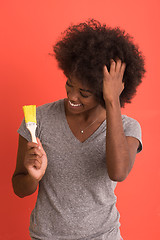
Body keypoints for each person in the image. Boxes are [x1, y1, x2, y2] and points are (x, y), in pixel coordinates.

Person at [12, 19, 145, 240]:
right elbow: (19, 187)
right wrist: (34, 177)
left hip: (104, 236)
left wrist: (113, 101)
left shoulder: (128, 127)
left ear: (104, 92)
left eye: (84, 93)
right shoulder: (39, 119)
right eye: (69, 84)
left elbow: (118, 172)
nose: (72, 96)